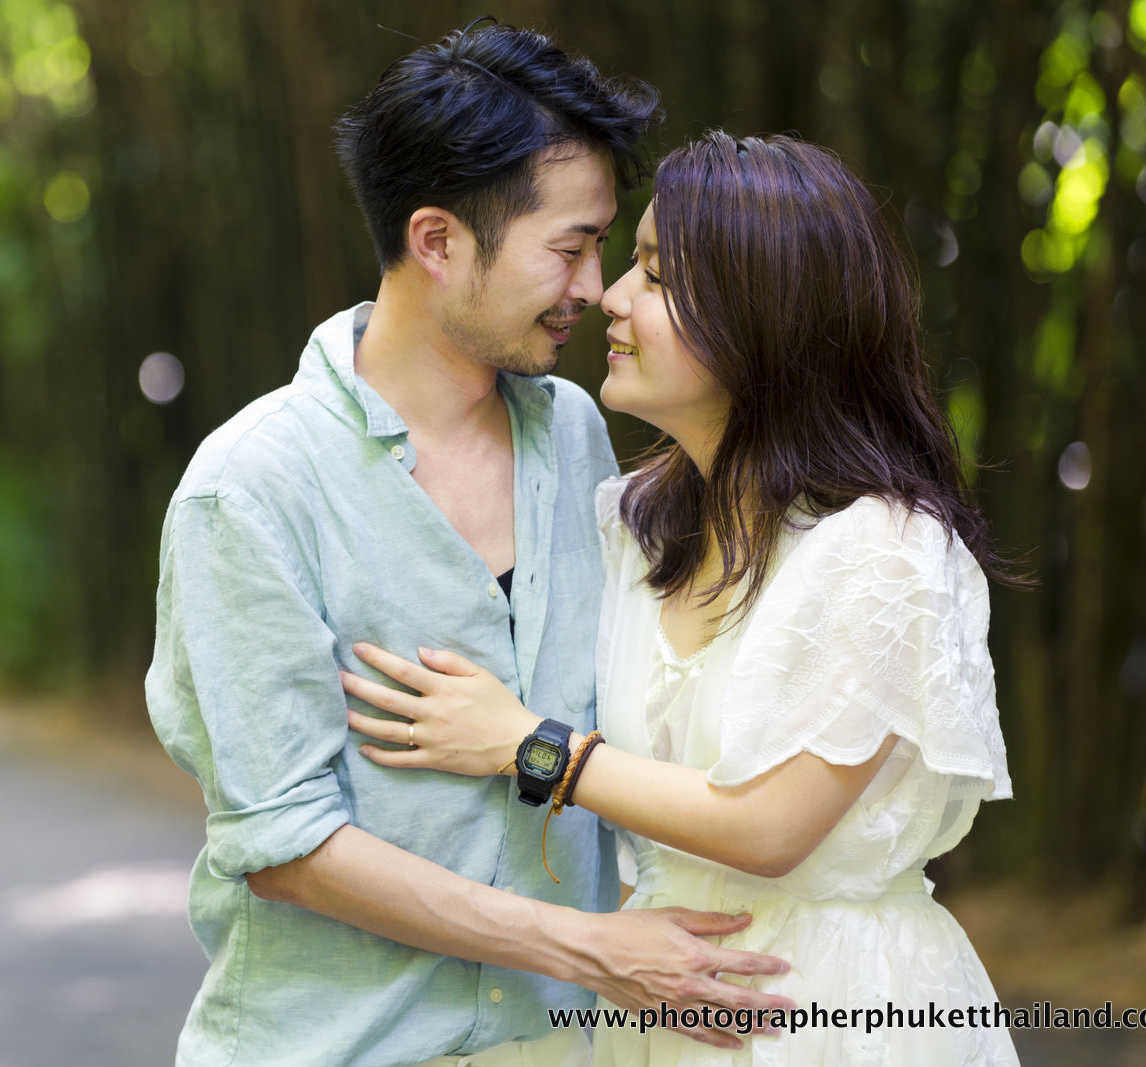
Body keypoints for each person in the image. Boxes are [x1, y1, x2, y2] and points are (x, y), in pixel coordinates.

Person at [146, 26, 794, 1067]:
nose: (596, 288)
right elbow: (286, 845)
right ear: (438, 242)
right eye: (570, 249)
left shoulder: (576, 433)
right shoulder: (252, 487)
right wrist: (588, 945)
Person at [344, 132, 1023, 1065]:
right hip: (656, 1000)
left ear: (764, 315)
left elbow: (770, 827)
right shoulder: (635, 525)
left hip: (826, 1010)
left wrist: (528, 743)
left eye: (656, 277)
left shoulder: (883, 550)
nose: (610, 296)